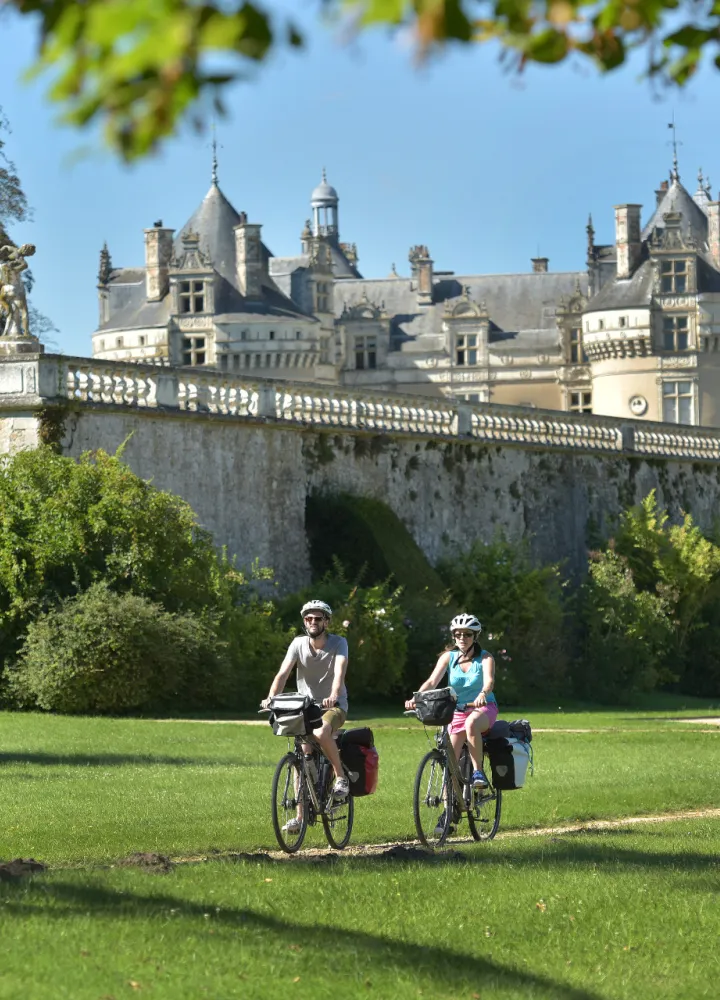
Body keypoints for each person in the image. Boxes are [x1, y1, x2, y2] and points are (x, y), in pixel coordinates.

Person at [262, 599, 349, 831]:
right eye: (308, 619)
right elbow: (283, 674)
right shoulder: (298, 644)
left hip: (333, 706)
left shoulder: (339, 643)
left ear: (326, 622)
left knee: (321, 731)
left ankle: (340, 777)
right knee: (300, 758)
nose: (312, 622)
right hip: (306, 707)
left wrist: (333, 695)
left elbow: (339, 673)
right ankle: (300, 818)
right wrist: (271, 697)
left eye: (317, 618)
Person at [405, 613, 498, 831]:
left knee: (472, 724)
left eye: (467, 634)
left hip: (482, 708)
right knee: (449, 763)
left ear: (475, 636)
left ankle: (477, 773)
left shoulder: (485, 658)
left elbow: (490, 680)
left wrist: (483, 693)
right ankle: (448, 813)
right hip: (456, 710)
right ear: (453, 636)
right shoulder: (448, 657)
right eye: (458, 634)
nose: (462, 638)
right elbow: (431, 681)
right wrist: (416, 698)